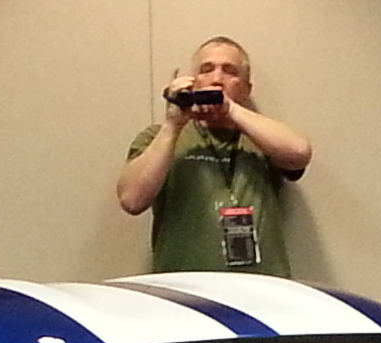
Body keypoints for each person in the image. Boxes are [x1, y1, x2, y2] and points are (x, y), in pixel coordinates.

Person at [116, 37, 314, 277]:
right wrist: (173, 124)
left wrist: (230, 110)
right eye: (206, 69)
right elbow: (132, 200)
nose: (217, 79)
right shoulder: (160, 137)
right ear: (193, 81)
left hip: (260, 289)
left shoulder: (262, 138)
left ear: (246, 88)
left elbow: (299, 153)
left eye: (230, 71)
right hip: (185, 288)